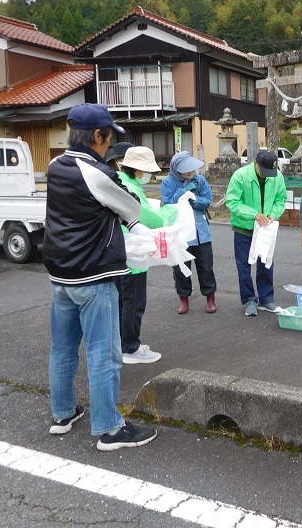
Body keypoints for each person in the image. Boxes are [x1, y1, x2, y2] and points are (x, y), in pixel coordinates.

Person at [43, 103, 157, 451]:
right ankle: (109, 428)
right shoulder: (96, 173)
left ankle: (63, 414)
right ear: (97, 135)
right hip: (93, 277)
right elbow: (132, 210)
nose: (109, 146)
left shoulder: (55, 164)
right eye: (109, 139)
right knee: (103, 353)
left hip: (60, 275)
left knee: (63, 349)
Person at [117, 146, 178, 363]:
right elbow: (149, 218)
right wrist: (171, 213)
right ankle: (130, 348)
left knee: (122, 302)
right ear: (137, 170)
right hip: (133, 253)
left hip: (120, 251)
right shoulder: (129, 186)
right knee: (133, 302)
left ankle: (121, 345)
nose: (149, 176)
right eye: (147, 172)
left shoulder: (119, 181)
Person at [225, 150, 286, 316]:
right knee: (244, 266)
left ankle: (266, 299)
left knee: (266, 263)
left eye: (270, 172)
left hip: (266, 228)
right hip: (244, 228)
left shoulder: (277, 176)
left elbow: (281, 199)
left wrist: (274, 213)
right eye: (264, 171)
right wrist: (254, 215)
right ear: (255, 164)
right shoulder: (240, 176)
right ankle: (249, 300)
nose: (267, 175)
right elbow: (232, 202)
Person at [161, 151, 217, 314]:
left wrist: (194, 199)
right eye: (186, 170)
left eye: (191, 169)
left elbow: (207, 201)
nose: (190, 173)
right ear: (176, 169)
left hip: (201, 232)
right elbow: (168, 205)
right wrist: (184, 192)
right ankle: (184, 300)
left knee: (206, 267)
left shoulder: (200, 180)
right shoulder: (168, 182)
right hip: (180, 234)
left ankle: (210, 298)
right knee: (181, 269)